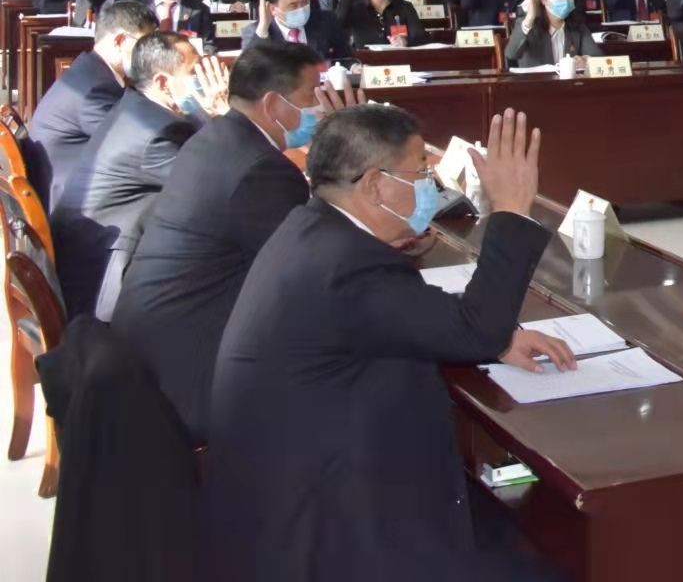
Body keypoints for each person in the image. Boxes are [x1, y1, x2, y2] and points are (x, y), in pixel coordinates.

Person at [204, 106, 573, 582]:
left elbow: (411, 316)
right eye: (421, 173)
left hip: (292, 485)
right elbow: (476, 328)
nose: (430, 187)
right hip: (330, 525)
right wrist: (512, 210)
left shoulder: (315, 229)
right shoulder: (347, 264)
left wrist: (499, 341)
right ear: (376, 186)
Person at [110, 42, 346, 442]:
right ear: (274, 104)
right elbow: (315, 274)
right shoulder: (263, 170)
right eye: (311, 94)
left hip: (148, 350)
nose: (319, 107)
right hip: (189, 375)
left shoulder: (217, 136)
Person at [53, 31, 225, 318]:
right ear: (162, 83)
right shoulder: (156, 133)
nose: (204, 81)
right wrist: (223, 115)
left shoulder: (139, 107)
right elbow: (217, 187)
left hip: (90, 255)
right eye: (194, 72)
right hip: (102, 284)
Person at [24, 0, 156, 208]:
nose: (151, 54)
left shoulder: (91, 69)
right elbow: (139, 146)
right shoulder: (95, 89)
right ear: (120, 41)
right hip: (70, 207)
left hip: (72, 186)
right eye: (145, 45)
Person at [243, 0, 349, 62]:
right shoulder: (256, 31)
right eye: (293, 5)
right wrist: (263, 28)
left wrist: (353, 67)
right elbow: (249, 69)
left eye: (304, 2)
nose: (301, 9)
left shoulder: (325, 21)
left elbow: (345, 57)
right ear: (273, 9)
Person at [506, 0, 600, 69]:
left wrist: (585, 60)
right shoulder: (528, 25)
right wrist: (529, 18)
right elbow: (511, 54)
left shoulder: (578, 27)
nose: (565, 0)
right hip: (536, 78)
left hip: (568, 79)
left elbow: (597, 57)